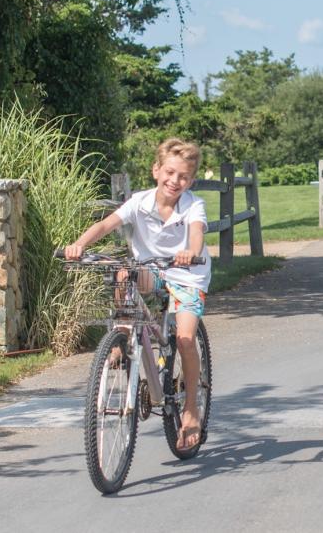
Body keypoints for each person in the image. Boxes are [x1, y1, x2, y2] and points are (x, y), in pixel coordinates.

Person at [65, 137, 208, 450]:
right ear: (156, 170)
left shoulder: (193, 205)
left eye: (183, 177)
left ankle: (191, 410)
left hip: (187, 274)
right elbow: (105, 225)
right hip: (152, 269)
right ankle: (124, 334)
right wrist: (79, 245)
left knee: (185, 339)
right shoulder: (139, 202)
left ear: (191, 181)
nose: (175, 181)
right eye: (169, 172)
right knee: (123, 273)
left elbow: (196, 233)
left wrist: (191, 252)